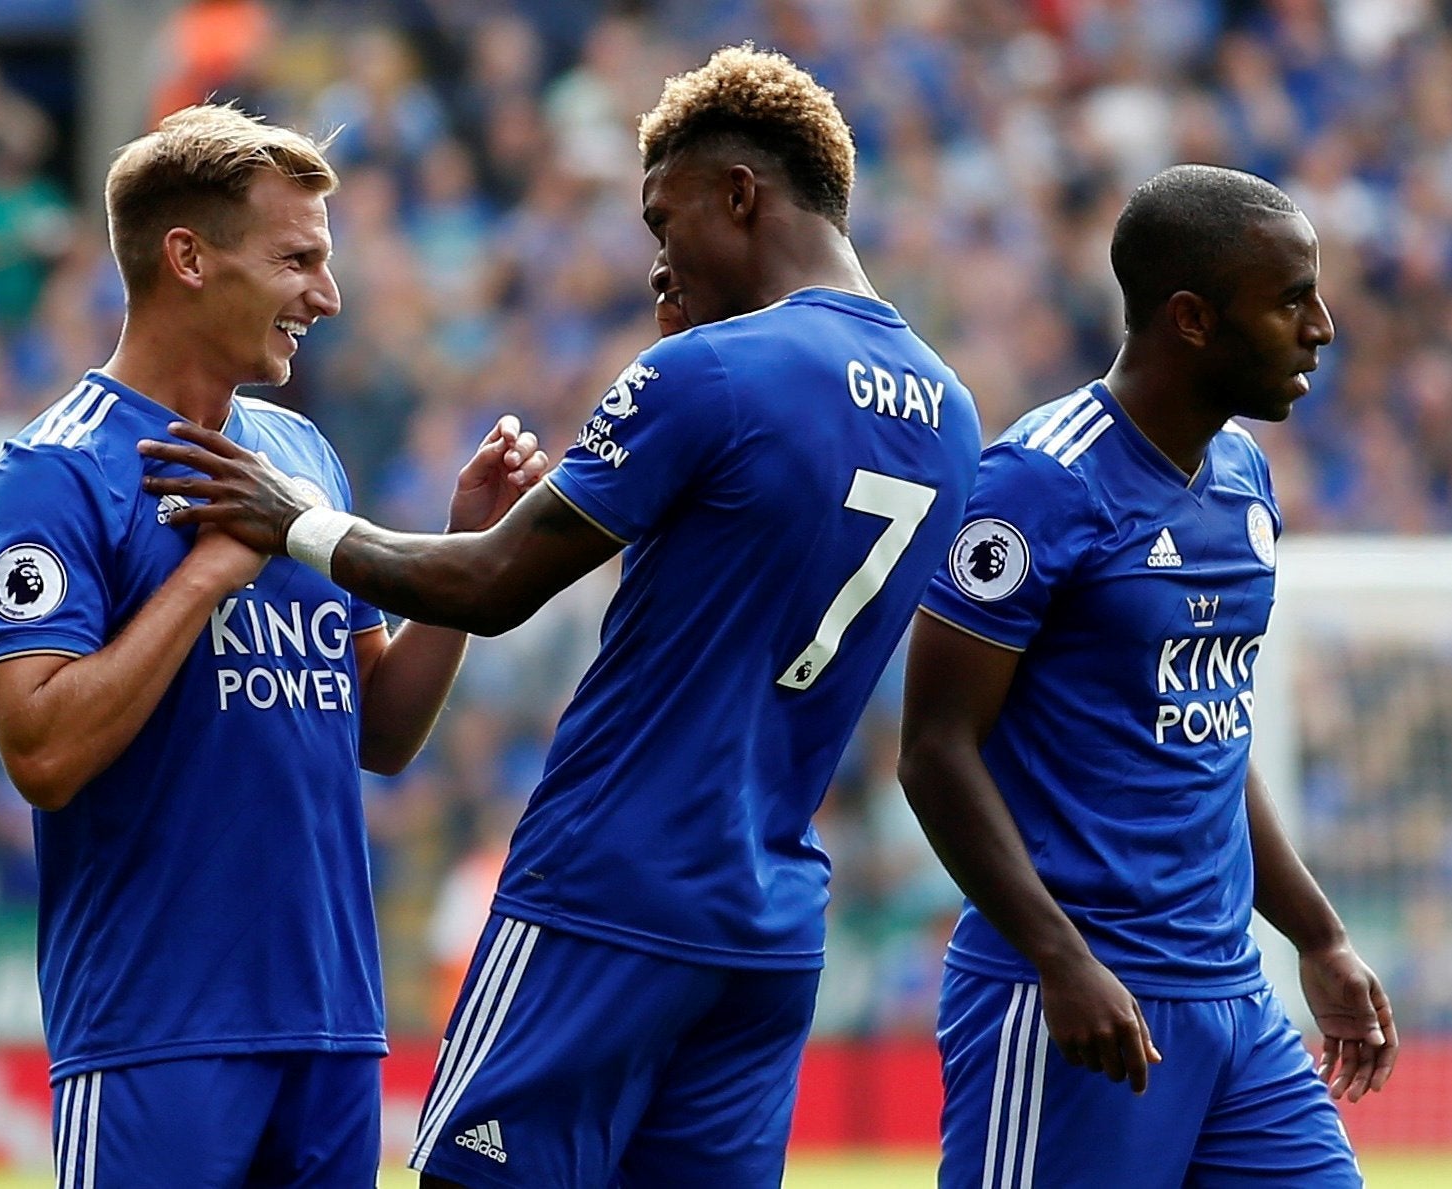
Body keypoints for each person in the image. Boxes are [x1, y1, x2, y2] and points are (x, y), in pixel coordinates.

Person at [140, 44, 983, 1188]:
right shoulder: (950, 412)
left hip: (608, 887)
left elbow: (491, 584)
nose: (655, 267)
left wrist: (292, 520)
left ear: (739, 194)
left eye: (661, 220)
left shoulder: (714, 371)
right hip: (769, 920)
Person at [0, 104, 547, 1187]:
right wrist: (211, 574)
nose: (325, 295)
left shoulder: (300, 456)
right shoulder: (53, 472)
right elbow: (39, 752)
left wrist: (464, 555)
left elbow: (380, 729)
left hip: (330, 1021)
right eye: (298, 259)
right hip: (156, 1030)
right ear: (188, 257)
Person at [897, 163, 1397, 1188]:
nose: (1322, 327)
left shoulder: (1242, 479)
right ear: (1192, 320)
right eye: (1291, 299)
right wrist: (1059, 957)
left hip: (1233, 1005)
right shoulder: (1039, 482)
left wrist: (1317, 934)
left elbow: (1205, 741)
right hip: (1072, 1008)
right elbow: (933, 750)